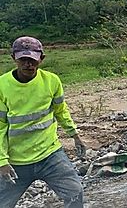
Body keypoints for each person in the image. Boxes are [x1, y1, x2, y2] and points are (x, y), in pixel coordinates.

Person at [1, 37, 87, 208]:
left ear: (41, 58)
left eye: (32, 59)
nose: (28, 64)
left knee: (75, 193)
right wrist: (2, 161)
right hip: (16, 161)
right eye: (23, 60)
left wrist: (75, 135)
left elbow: (61, 111)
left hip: (50, 155)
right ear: (14, 58)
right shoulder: (2, 86)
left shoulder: (51, 81)